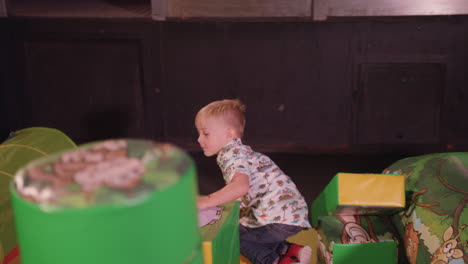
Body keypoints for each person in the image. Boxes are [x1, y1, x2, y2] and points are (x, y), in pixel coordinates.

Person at [195, 99, 312, 264]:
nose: (199, 139)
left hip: (276, 217)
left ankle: (275, 261)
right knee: (250, 231)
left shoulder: (231, 155)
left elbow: (241, 186)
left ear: (229, 134)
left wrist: (207, 201)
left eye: (205, 133)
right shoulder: (241, 151)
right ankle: (292, 250)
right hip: (290, 214)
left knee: (234, 235)